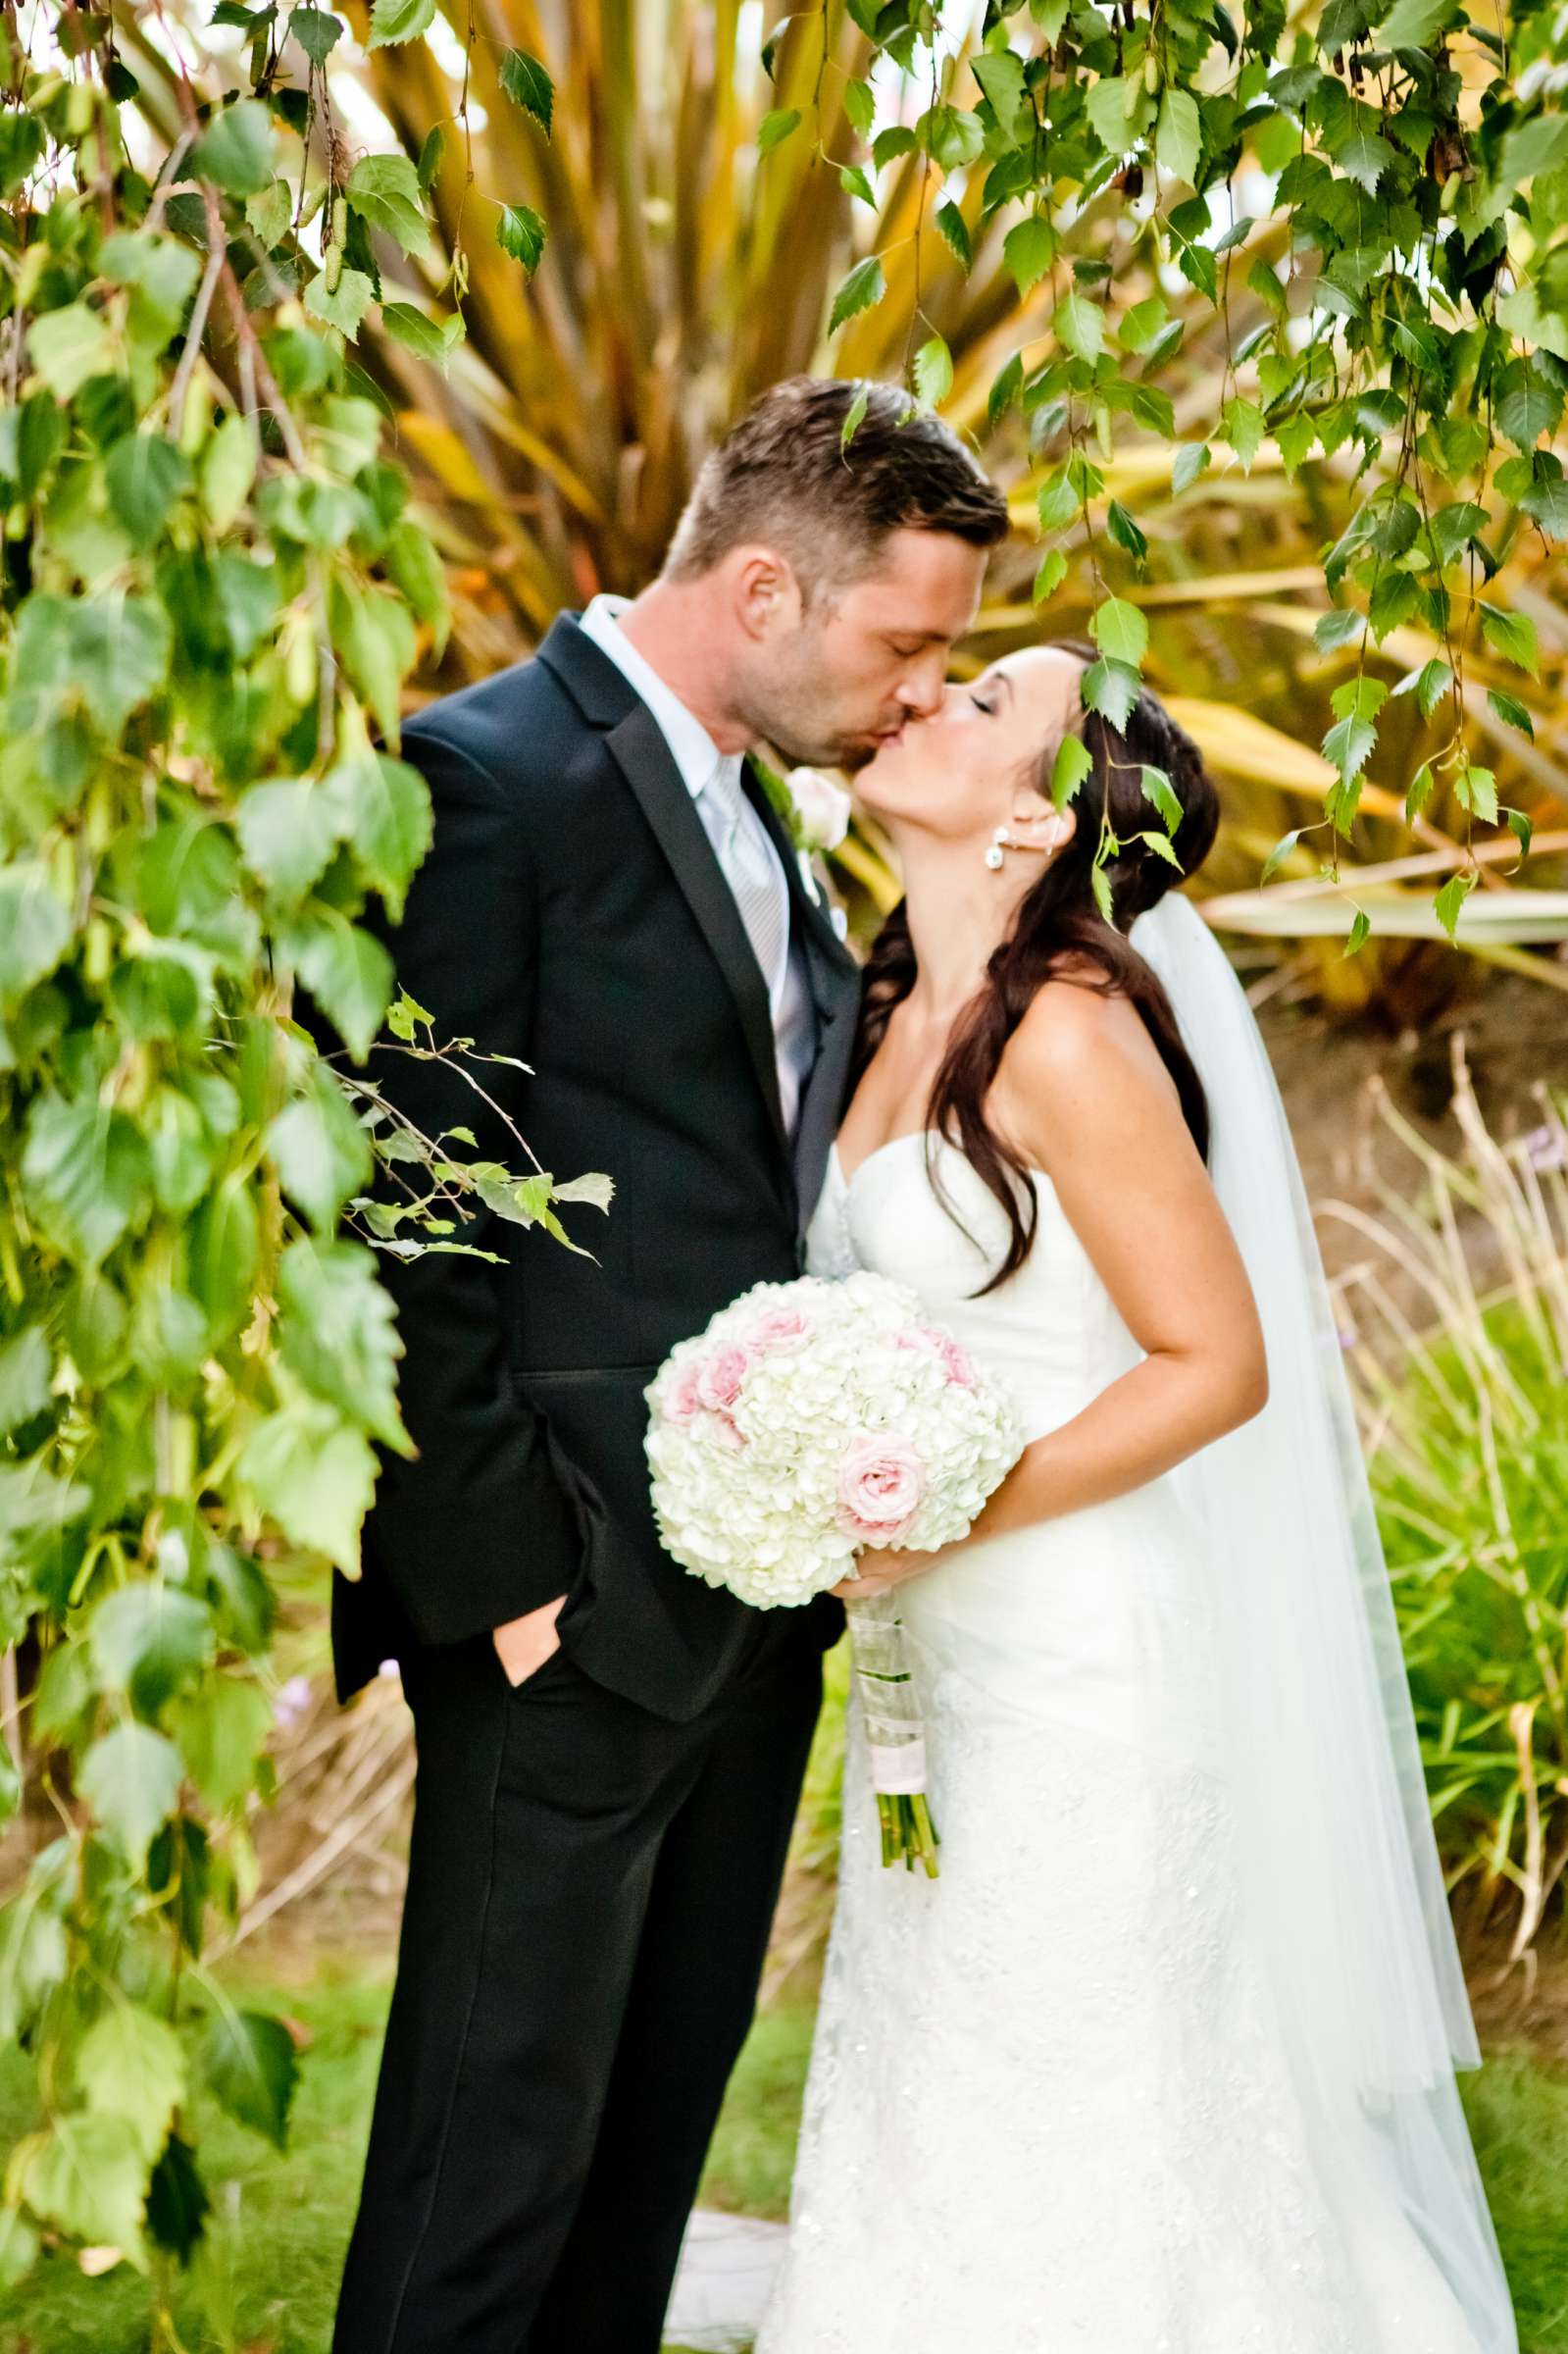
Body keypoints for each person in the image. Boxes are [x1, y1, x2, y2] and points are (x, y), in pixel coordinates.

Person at [327, 377, 1010, 2354]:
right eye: (904, 642)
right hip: (567, 1604)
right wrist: (507, 1592)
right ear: (767, 589)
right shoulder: (486, 777)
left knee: (638, 2159)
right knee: (486, 2166)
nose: (914, 691)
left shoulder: (762, 820)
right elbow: (407, 1211)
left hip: (741, 1610)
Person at [756, 643, 1519, 2353]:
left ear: (1035, 814)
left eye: (980, 703)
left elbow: (1215, 1360)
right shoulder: (897, 1010)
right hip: (943, 1653)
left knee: (1103, 2092)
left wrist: (945, 1514)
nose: (924, 699)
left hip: (1084, 1658)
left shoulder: (1071, 1040)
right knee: (945, 2065)